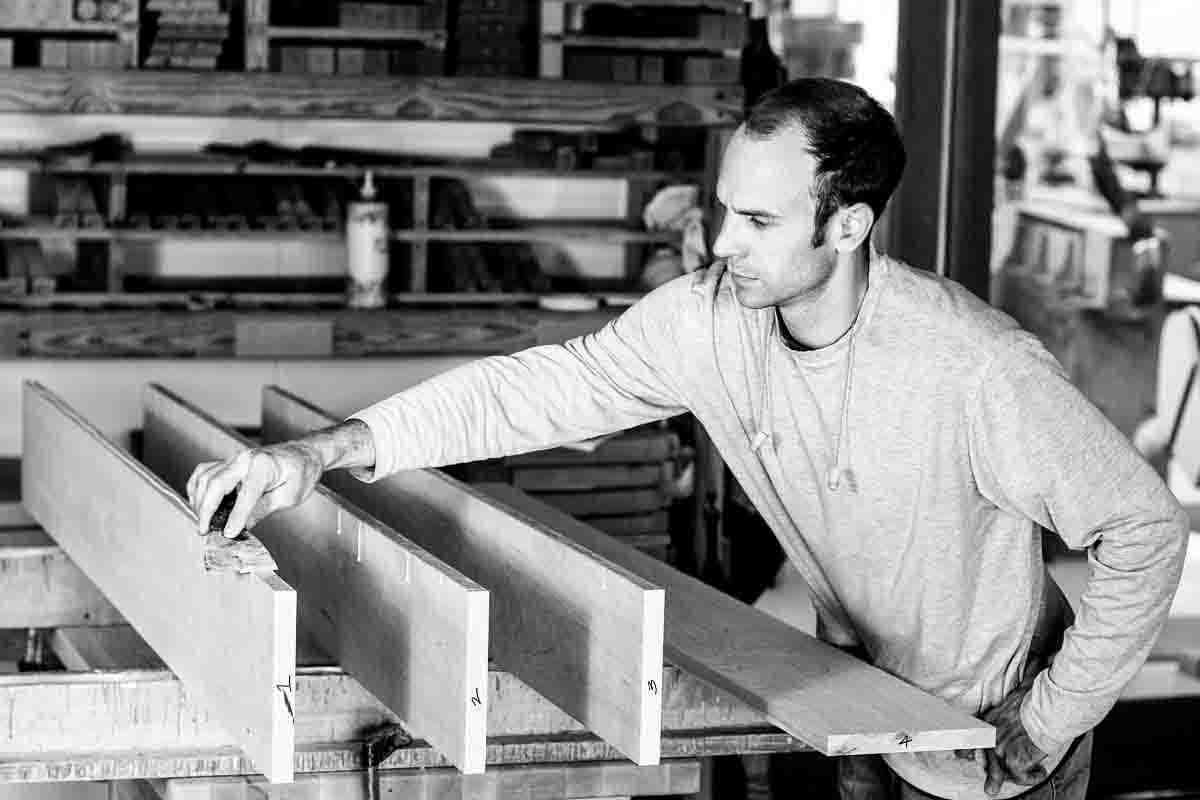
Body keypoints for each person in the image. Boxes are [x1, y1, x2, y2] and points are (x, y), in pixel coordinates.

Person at [188, 78, 1188, 800]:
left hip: (998, 738)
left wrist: (1053, 716)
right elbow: (535, 389)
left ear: (846, 228)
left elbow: (1145, 527)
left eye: (757, 220)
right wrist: (318, 453)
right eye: (723, 209)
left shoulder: (977, 367)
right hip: (865, 705)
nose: (721, 244)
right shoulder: (710, 321)